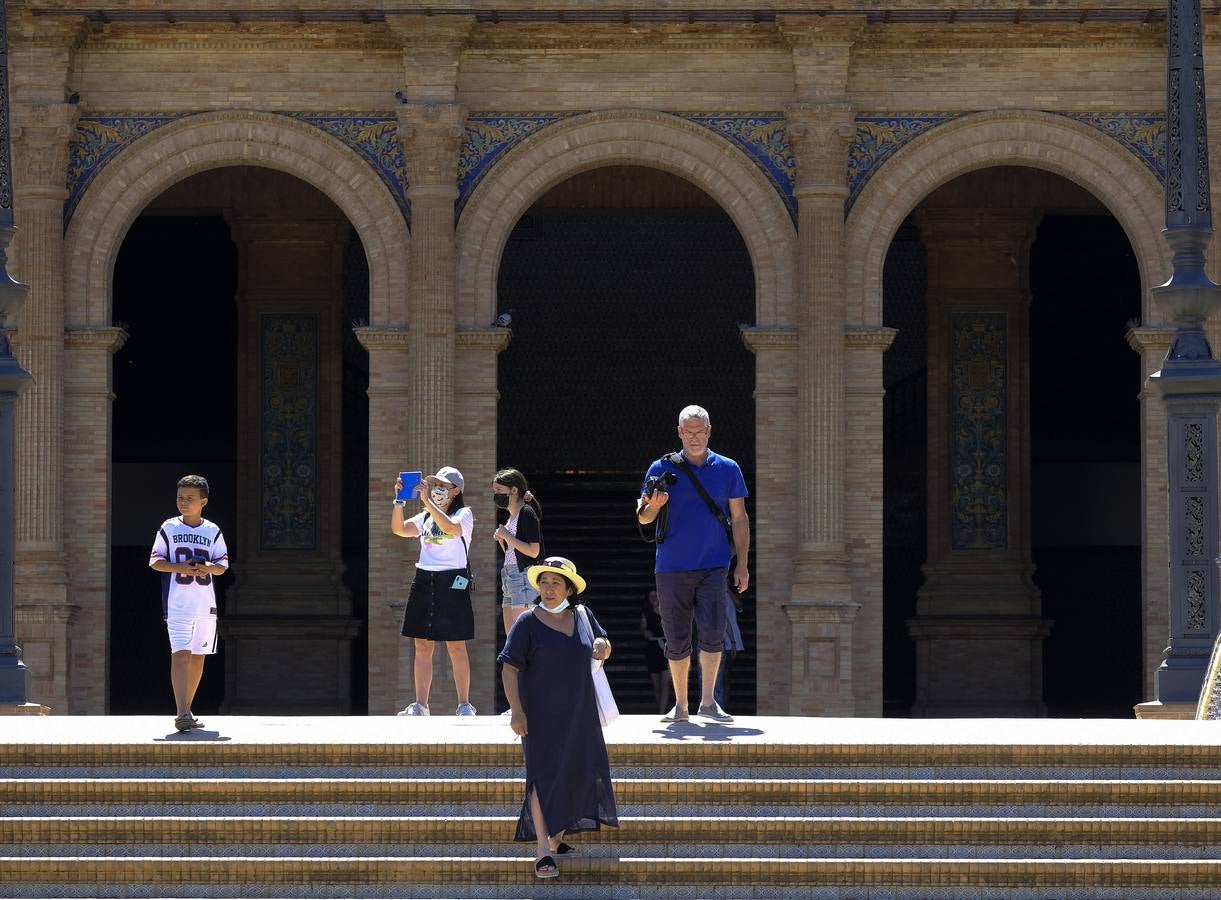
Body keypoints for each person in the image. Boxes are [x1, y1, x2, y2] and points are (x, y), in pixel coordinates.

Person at [498, 556, 619, 879]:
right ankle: (542, 849)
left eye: (556, 584)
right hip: (538, 716)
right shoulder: (526, 622)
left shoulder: (583, 615)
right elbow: (509, 669)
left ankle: (557, 835)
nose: (549, 589)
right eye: (544, 583)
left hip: (580, 712)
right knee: (541, 775)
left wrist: (603, 646)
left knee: (578, 771)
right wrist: (517, 711)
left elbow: (603, 643)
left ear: (569, 589)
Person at [636, 405, 749, 724]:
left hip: (714, 565)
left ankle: (709, 702)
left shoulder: (728, 468)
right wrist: (654, 508)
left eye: (701, 431)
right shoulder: (659, 468)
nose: (696, 437)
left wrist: (742, 564)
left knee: (713, 633)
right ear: (680, 433)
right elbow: (642, 516)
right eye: (690, 431)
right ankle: (681, 705)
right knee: (676, 637)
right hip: (671, 567)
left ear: (710, 431)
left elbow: (739, 519)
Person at [391, 466, 477, 716]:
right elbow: (399, 529)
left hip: (452, 579)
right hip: (424, 577)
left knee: (456, 644)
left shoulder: (464, 513)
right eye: (435, 483)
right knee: (422, 645)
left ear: (457, 490)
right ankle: (420, 704)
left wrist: (428, 501)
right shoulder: (425, 517)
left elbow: (451, 528)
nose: (438, 488)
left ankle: (464, 704)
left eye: (444, 485)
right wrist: (398, 501)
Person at [148, 474, 230, 733]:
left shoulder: (212, 530)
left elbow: (222, 567)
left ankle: (188, 709)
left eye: (190, 498)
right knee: (180, 654)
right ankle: (182, 711)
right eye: (180, 497)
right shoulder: (169, 527)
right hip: (178, 603)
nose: (183, 502)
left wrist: (207, 567)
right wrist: (179, 566)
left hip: (205, 605)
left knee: (198, 658)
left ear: (203, 501)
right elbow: (154, 561)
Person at [492, 468, 544, 638]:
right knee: (512, 639)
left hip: (523, 577)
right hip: (509, 576)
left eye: (499, 490)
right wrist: (503, 540)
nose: (496, 495)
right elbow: (515, 552)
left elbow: (533, 551)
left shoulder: (526, 513)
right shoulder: (511, 517)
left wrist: (507, 536)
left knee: (522, 637)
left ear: (514, 490)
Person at [640, 589, 672, 714]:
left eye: (655, 596)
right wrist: (645, 632)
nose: (653, 599)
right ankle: (661, 709)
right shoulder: (646, 613)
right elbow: (643, 628)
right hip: (652, 649)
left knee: (665, 685)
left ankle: (662, 712)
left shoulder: (667, 612)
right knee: (657, 686)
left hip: (665, 649)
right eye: (651, 596)